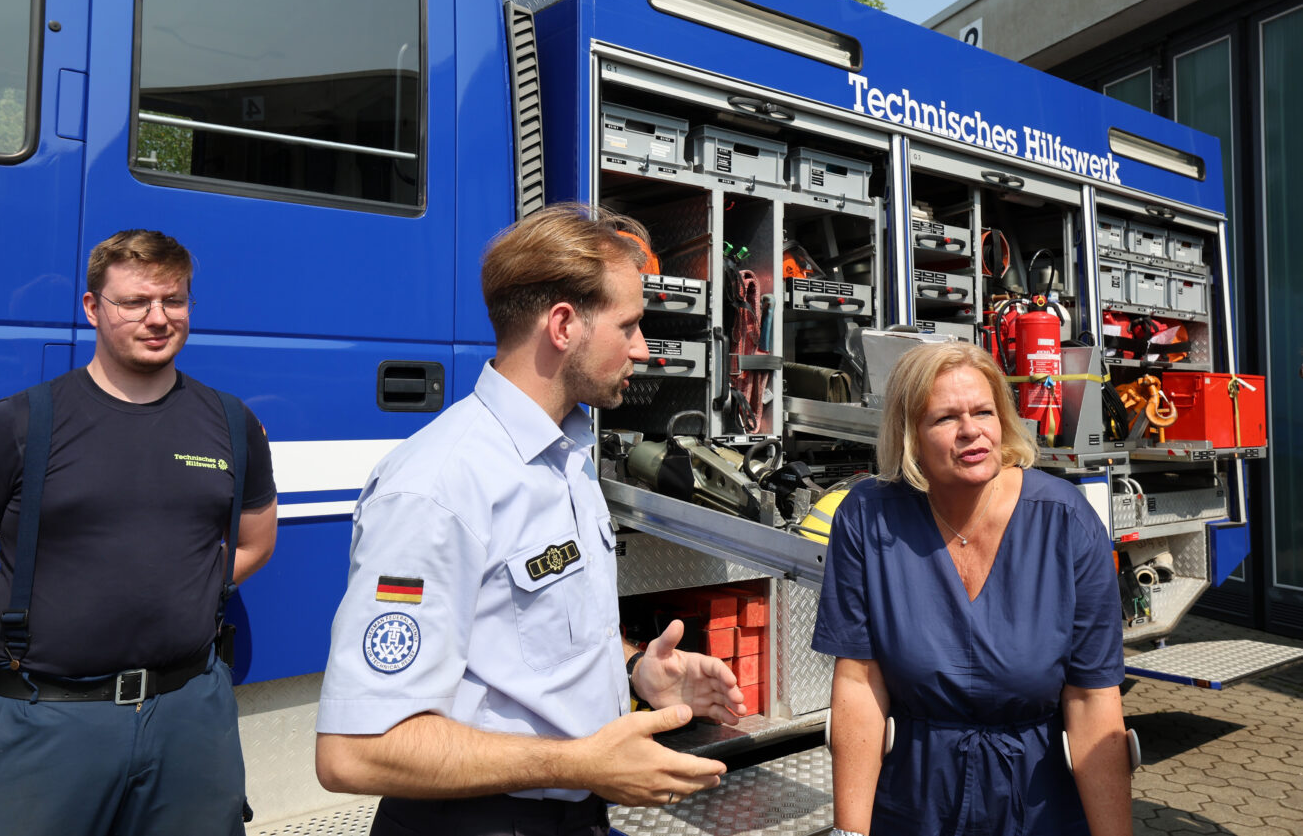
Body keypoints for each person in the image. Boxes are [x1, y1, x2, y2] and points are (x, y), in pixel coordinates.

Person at [315, 203, 747, 836]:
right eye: (628, 325)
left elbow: (520, 641)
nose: (644, 349)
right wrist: (579, 762)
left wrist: (636, 672)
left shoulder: (564, 456)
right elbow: (355, 750)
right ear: (564, 325)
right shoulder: (439, 485)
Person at [0, 230, 278, 836]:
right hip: (45, 720)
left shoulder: (231, 422)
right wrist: (45, 611)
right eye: (135, 302)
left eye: (174, 300)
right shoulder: (16, 427)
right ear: (93, 308)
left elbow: (253, 543)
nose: (158, 318)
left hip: (190, 716)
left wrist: (175, 593)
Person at [811, 341, 1132, 836]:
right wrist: (849, 833)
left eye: (983, 411)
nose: (971, 431)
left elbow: (1093, 699)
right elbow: (858, 683)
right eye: (944, 418)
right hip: (913, 799)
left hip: (1037, 800)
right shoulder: (867, 517)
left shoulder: (1066, 521)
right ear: (910, 434)